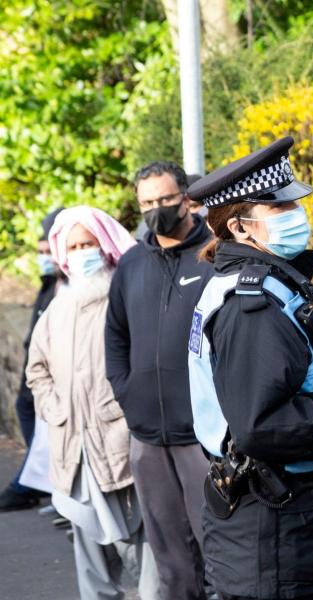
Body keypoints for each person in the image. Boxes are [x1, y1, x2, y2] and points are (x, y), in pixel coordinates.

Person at [187, 136, 313, 600]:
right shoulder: (250, 304)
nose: (300, 215)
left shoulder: (261, 284)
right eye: (281, 209)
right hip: (271, 525)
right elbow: (264, 425)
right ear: (240, 227)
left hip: (281, 522)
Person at [26, 206, 160, 600]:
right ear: (63, 254)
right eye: (75, 245)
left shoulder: (129, 300)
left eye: (89, 243)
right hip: (75, 454)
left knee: (147, 555)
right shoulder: (55, 311)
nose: (83, 251)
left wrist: (123, 415)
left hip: (123, 448)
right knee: (92, 565)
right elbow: (38, 371)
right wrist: (57, 411)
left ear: (104, 246)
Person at [104, 161, 214, 600]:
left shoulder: (214, 254)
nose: (156, 210)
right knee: (170, 560)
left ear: (186, 197)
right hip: (148, 438)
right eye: (147, 202)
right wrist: (127, 394)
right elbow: (115, 335)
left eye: (165, 199)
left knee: (219, 551)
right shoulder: (131, 264)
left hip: (202, 437)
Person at [0, 208, 63, 511]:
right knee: (26, 411)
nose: (44, 258)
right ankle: (37, 478)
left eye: (47, 251)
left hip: (52, 373)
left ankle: (32, 483)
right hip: (34, 369)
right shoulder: (48, 281)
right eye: (40, 252)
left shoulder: (65, 283)